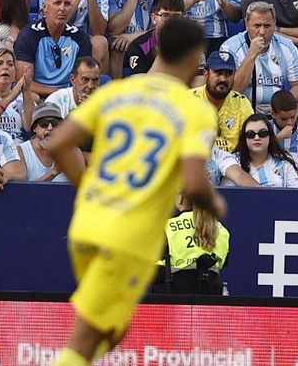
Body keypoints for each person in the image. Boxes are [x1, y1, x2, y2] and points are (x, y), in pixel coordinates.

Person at [44, 18, 223, 366]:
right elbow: (195, 181)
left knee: (112, 332)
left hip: (87, 224)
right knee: (84, 341)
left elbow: (58, 143)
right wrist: (214, 205)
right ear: (193, 59)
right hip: (126, 239)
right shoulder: (195, 110)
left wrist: (85, 186)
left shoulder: (117, 92)